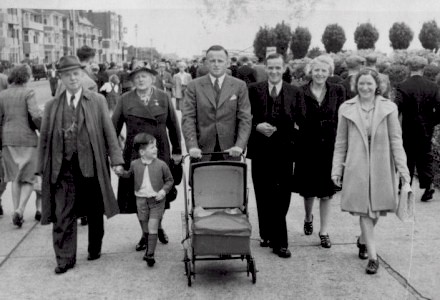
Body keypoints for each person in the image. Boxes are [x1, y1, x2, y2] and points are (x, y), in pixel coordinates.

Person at [37, 55, 124, 274]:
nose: (73, 78)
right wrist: (40, 170)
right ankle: (65, 259)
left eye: (76, 74)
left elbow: (108, 132)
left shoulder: (96, 100)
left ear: (82, 75)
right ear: (61, 79)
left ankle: (95, 247)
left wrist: (117, 160)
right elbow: (45, 139)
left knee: (95, 209)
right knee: (63, 213)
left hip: (91, 164)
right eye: (67, 75)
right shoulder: (52, 106)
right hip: (63, 166)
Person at [332, 68, 411, 275]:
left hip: (382, 165)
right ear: (355, 85)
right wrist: (336, 170)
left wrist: (404, 171)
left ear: (377, 86)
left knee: (377, 210)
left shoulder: (389, 108)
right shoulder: (346, 108)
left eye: (369, 83)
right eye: (361, 83)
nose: (365, 87)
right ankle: (373, 257)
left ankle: (361, 239)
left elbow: (396, 140)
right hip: (356, 165)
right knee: (364, 210)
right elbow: (340, 143)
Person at [112, 63, 182, 251]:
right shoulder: (125, 99)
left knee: (160, 193)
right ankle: (145, 233)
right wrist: (116, 158)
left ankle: (157, 227)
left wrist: (177, 151)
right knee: (139, 195)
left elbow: (174, 126)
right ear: (133, 81)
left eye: (145, 76)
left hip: (160, 152)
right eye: (137, 77)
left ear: (152, 79)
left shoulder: (163, 97)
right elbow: (113, 130)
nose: (141, 80)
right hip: (135, 154)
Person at [247, 53, 304, 258]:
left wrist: (286, 133)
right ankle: (267, 234)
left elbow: (301, 121)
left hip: (284, 152)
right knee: (262, 193)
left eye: (278, 68)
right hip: (260, 151)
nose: (274, 71)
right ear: (265, 68)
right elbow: (244, 118)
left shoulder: (294, 92)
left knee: (282, 195)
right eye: (270, 67)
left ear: (284, 68)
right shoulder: (253, 90)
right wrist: (257, 126)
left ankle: (280, 240)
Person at [292, 55, 346, 248]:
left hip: (329, 147)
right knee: (308, 191)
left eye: (324, 70)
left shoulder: (338, 90)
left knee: (326, 192)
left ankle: (324, 231)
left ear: (329, 72)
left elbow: (343, 116)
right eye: (316, 70)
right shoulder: (300, 91)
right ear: (310, 72)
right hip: (307, 146)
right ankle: (308, 217)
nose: (320, 74)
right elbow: (294, 117)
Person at [182, 45, 252, 161]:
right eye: (212, 61)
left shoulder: (239, 86)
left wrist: (239, 146)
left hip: (231, 151)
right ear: (206, 63)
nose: (216, 64)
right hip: (201, 152)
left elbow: (245, 118)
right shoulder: (194, 86)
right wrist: (192, 146)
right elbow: (188, 117)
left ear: (227, 63)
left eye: (220, 61)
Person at [119, 133, 173, 267]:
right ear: (142, 152)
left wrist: (163, 191)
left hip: (157, 200)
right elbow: (128, 175)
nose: (156, 149)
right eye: (152, 147)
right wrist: (120, 173)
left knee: (153, 225)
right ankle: (149, 247)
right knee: (145, 228)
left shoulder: (162, 165)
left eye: (155, 146)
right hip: (141, 200)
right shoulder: (134, 164)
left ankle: (150, 254)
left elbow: (169, 180)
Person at [0, 65, 42, 227]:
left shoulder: (2, 95)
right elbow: (35, 115)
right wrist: (42, 129)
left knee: (15, 178)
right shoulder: (28, 93)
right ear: (26, 77)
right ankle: (21, 209)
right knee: (29, 178)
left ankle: (16, 209)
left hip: (8, 140)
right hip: (27, 139)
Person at [395, 56, 440, 202]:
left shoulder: (402, 86)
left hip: (408, 126)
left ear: (409, 67)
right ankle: (428, 185)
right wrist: (432, 122)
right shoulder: (433, 86)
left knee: (407, 155)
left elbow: (397, 108)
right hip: (426, 127)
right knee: (425, 155)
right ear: (424, 68)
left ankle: (404, 185)